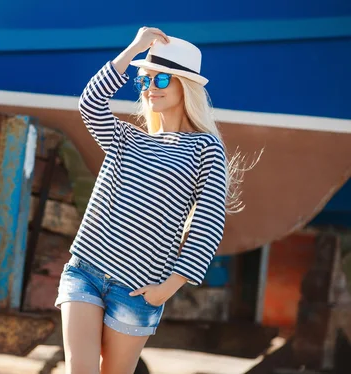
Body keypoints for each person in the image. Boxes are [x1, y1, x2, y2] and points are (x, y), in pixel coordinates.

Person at [54, 27, 246, 374]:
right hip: (85, 272)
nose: (149, 88)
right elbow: (90, 104)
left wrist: (167, 289)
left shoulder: (205, 149)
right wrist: (135, 48)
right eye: (144, 80)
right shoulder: (125, 138)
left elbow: (208, 223)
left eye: (160, 80)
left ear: (184, 86)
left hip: (136, 290)